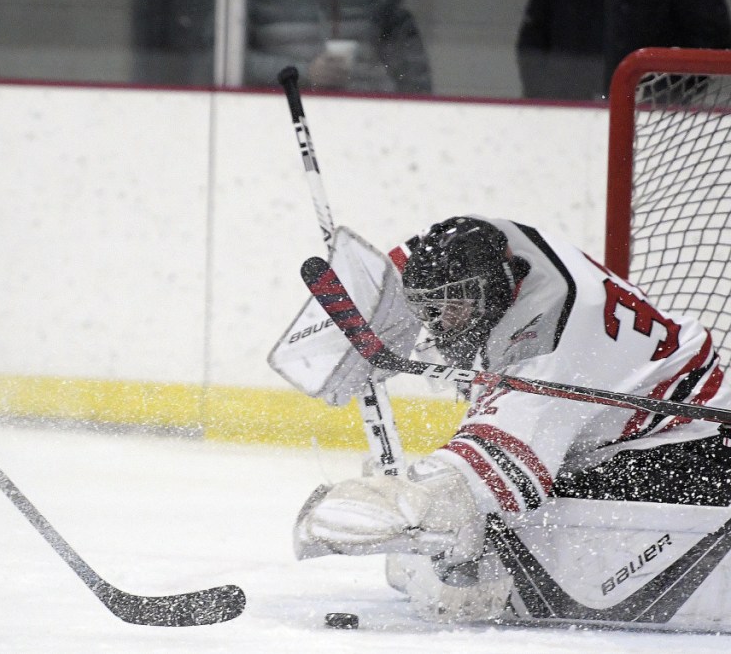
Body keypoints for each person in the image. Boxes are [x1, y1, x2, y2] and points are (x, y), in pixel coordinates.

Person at [276, 215, 731, 625]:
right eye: (429, 306)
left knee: (493, 515)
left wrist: (408, 502)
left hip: (691, 446)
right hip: (638, 413)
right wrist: (366, 308)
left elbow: (492, 476)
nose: (438, 322)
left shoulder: (549, 346)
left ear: (494, 290)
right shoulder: (501, 247)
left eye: (453, 307)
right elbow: (409, 265)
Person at [517, 0, 731, 100]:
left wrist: (666, 96)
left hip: (651, 124)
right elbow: (533, 38)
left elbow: (710, 39)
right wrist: (551, 99)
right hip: (566, 116)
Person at [245, 0, 431, 94]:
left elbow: (410, 58)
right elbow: (226, 61)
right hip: (281, 114)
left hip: (370, 111)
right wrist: (304, 74)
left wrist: (420, 109)